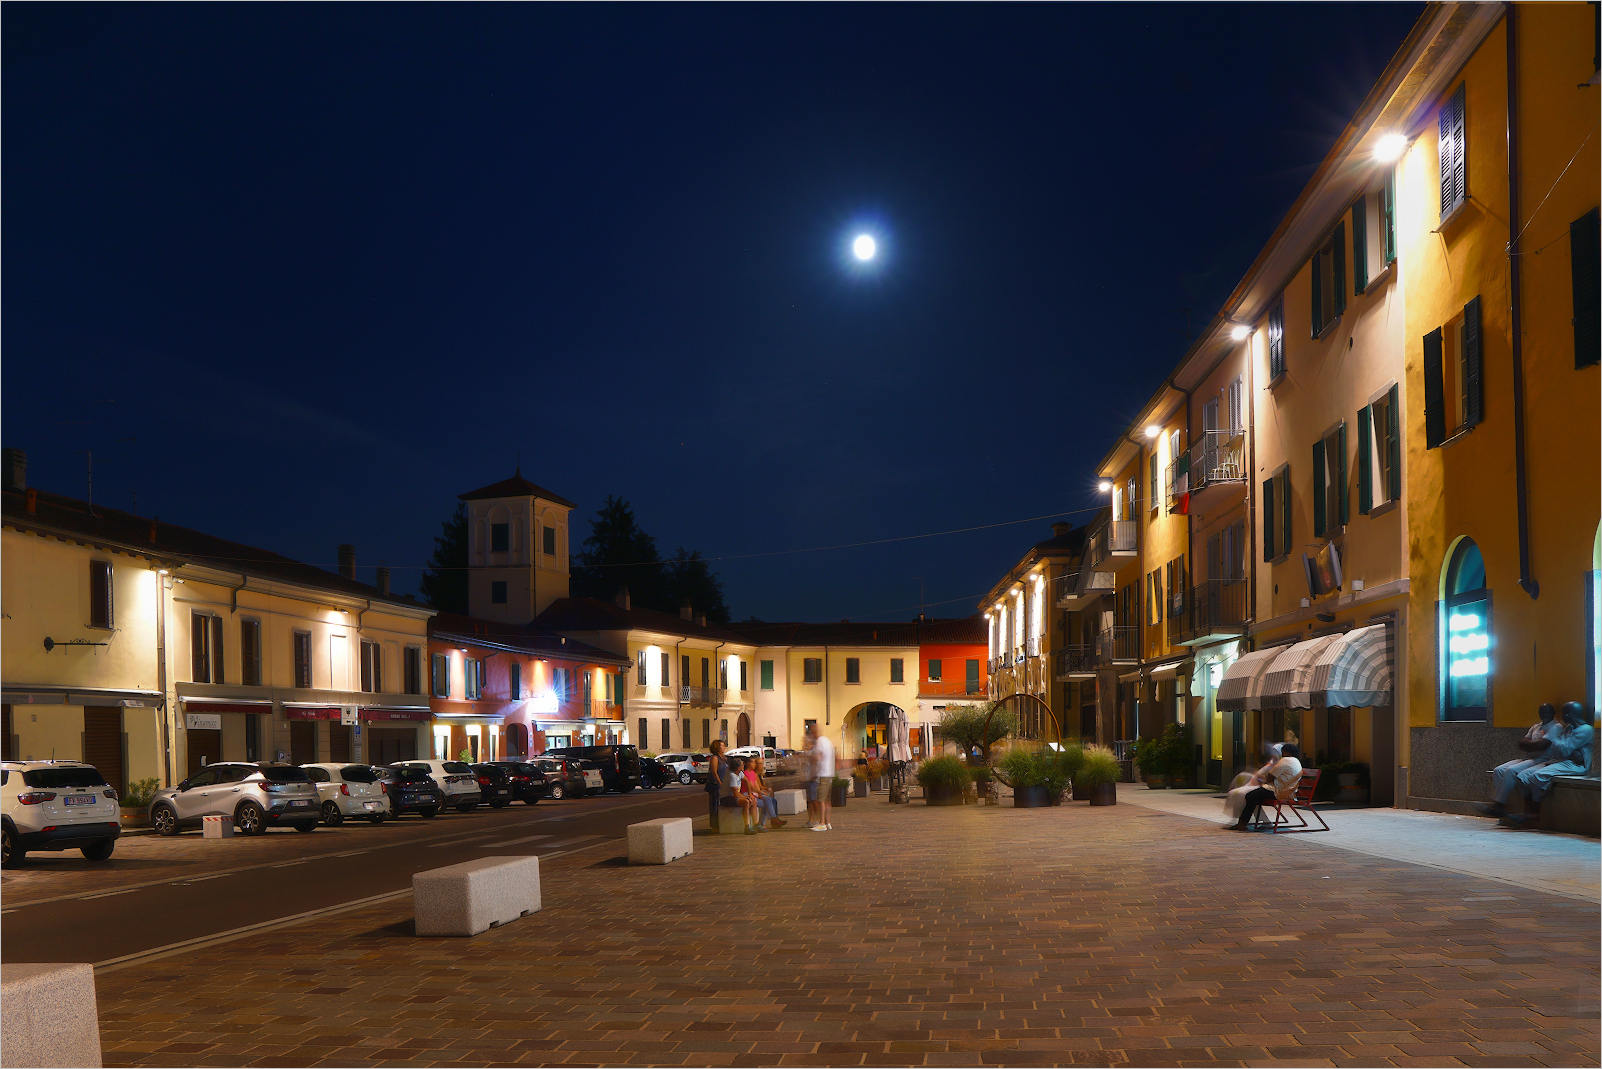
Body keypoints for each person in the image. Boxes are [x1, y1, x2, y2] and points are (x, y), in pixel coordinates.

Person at [1510, 703, 1595, 825]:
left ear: (1574, 714)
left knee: (1536, 776)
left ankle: (1535, 813)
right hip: (1562, 761)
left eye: (1566, 713)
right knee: (1522, 777)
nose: (1563, 716)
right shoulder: (1568, 729)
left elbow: (1563, 748)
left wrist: (1555, 740)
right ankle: (1527, 811)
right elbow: (1559, 750)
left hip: (1577, 765)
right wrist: (1570, 750)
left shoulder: (1586, 730)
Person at [1476, 703, 1562, 818]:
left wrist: (1530, 744)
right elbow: (1522, 743)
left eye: (1547, 712)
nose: (1544, 715)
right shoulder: (1536, 726)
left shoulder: (1555, 727)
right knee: (1499, 770)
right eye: (1541, 712)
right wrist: (1532, 745)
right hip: (1528, 757)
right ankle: (1499, 805)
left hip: (1541, 760)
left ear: (1553, 713)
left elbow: (1541, 745)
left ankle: (1500, 806)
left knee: (1511, 770)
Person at [1228, 743, 1303, 831]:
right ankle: (1257, 821)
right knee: (1254, 796)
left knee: (1250, 796)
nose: (1281, 755)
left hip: (1278, 791)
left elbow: (1271, 776)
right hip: (1289, 791)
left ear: (1287, 752)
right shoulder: (1296, 761)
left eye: (1282, 753)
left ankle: (1242, 824)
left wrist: (1263, 781)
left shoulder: (1285, 760)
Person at [1223, 744, 1281, 824]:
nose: (1273, 754)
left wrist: (1261, 778)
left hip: (1268, 787)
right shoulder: (1272, 762)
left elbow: (1269, 778)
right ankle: (1261, 820)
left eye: (1275, 752)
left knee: (1244, 795)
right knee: (1234, 793)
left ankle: (1243, 820)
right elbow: (1260, 773)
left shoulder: (1280, 764)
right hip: (1262, 785)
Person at [751, 754, 784, 829]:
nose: (762, 765)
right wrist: (766, 790)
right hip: (757, 794)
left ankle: (774, 820)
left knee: (773, 801)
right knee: (769, 801)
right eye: (760, 763)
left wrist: (767, 789)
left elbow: (763, 786)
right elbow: (759, 787)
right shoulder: (755, 774)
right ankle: (774, 820)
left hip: (759, 792)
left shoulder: (760, 774)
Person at [812, 725, 836, 831]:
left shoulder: (819, 741)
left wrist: (814, 767)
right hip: (830, 773)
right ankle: (828, 822)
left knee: (821, 799)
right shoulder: (828, 741)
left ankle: (822, 823)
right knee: (827, 800)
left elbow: (818, 757)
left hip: (823, 773)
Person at [704, 739, 727, 826]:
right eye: (722, 745)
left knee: (721, 804)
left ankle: (721, 823)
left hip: (723, 784)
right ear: (717, 747)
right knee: (715, 805)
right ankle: (715, 825)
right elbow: (714, 772)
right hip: (715, 785)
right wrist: (719, 783)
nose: (724, 747)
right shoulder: (715, 758)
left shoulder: (724, 758)